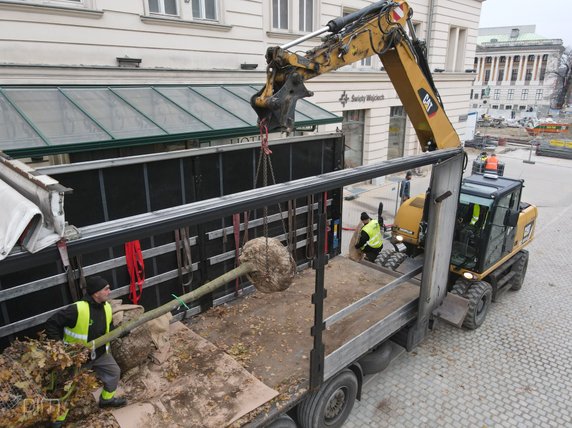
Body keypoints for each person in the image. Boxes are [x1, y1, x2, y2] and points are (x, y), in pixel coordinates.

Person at [45, 276, 127, 426]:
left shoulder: (107, 307)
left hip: (100, 353)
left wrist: (120, 331)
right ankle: (58, 420)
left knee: (114, 372)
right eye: (106, 289)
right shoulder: (77, 309)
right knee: (69, 389)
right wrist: (58, 347)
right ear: (96, 293)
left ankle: (106, 400)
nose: (109, 291)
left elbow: (108, 328)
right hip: (78, 358)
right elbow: (51, 323)